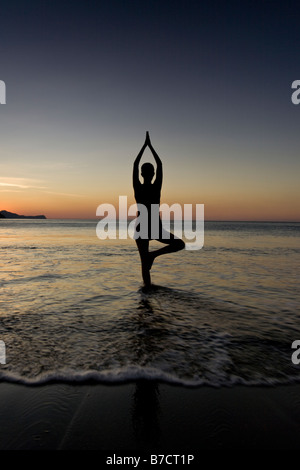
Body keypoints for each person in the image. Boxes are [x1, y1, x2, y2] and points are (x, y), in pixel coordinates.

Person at [133, 132, 185, 286]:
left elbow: (135, 165)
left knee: (144, 263)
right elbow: (160, 164)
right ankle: (153, 256)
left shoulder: (138, 188)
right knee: (179, 244)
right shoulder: (156, 188)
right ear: (153, 174)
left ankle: (146, 293)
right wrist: (150, 146)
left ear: (142, 174)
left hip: (143, 227)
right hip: (153, 227)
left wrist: (144, 147)